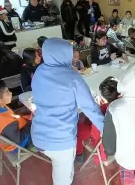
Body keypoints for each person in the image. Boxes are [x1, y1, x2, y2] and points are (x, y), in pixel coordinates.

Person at [31, 38, 105, 185]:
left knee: (58, 167)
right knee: (63, 178)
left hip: (38, 135)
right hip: (60, 141)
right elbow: (90, 108)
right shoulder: (73, 77)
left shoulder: (39, 71)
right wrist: (107, 130)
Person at [77, 76, 119, 163]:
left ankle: (79, 153)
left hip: (107, 148)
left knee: (81, 128)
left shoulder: (103, 114)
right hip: (122, 141)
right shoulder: (123, 106)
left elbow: (96, 135)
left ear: (103, 97)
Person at [0, 80, 32, 151]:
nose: (11, 93)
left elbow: (10, 117)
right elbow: (18, 140)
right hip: (19, 145)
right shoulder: (7, 123)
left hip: (12, 134)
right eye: (7, 92)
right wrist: (31, 123)